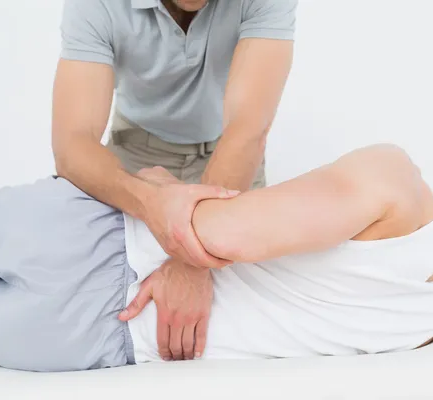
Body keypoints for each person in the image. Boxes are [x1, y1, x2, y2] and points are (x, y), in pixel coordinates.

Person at [0, 144, 433, 372]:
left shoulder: (399, 188)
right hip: (98, 338)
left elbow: (221, 236)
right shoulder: (424, 329)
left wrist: (155, 183)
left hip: (94, 238)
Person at [52, 0, 297, 353]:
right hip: (136, 159)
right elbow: (72, 144)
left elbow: (246, 131)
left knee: (251, 308)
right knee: (95, 295)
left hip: (229, 155)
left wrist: (190, 261)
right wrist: (154, 203)